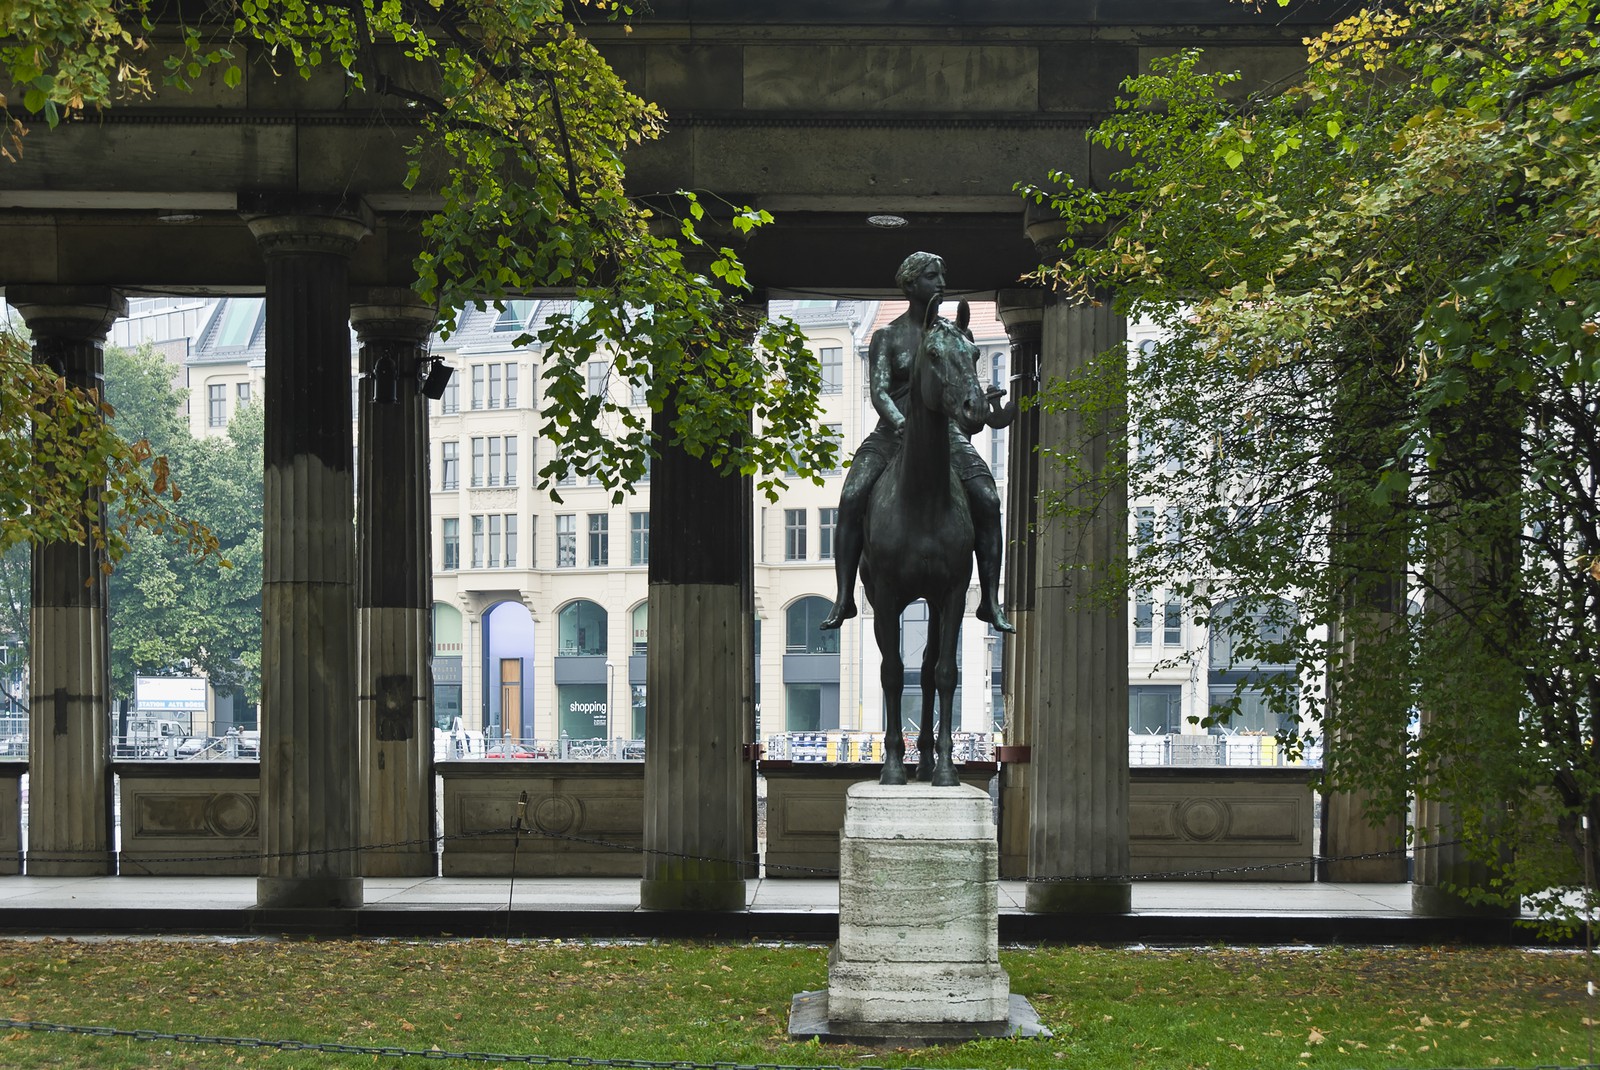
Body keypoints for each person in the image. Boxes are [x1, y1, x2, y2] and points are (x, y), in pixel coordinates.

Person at [820, 251, 1014, 633]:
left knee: (988, 500)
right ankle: (844, 597)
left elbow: (963, 387)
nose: (940, 283)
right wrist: (901, 424)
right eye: (931, 276)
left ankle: (990, 599)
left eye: (942, 275)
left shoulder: (957, 334)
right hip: (892, 436)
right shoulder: (887, 337)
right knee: (852, 496)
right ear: (910, 284)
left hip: (947, 435)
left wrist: (986, 411)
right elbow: (879, 392)